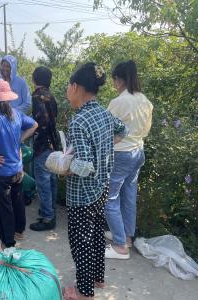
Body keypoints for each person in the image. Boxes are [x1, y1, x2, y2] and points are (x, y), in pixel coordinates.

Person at [63, 63, 127, 300]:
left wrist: (62, 167)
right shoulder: (103, 112)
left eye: (69, 86)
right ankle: (98, 279)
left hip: (82, 194)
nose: (67, 91)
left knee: (82, 243)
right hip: (102, 187)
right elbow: (124, 130)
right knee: (97, 234)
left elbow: (85, 166)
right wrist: (105, 149)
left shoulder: (79, 121)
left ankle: (84, 292)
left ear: (76, 87)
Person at [104, 60, 153, 260]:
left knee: (109, 197)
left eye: (114, 80)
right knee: (128, 195)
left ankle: (120, 244)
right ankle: (127, 236)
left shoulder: (119, 102)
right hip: (138, 151)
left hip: (121, 153)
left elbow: (104, 127)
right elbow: (146, 130)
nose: (114, 84)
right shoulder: (145, 101)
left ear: (120, 80)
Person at [0, 79, 37, 250]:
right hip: (17, 169)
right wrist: (20, 139)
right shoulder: (16, 114)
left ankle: (8, 243)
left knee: (2, 208)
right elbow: (34, 124)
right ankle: (19, 231)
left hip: (0, 173)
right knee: (17, 200)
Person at [29, 66, 60, 231]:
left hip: (42, 144)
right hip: (53, 143)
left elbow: (41, 121)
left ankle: (47, 218)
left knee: (43, 181)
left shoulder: (37, 96)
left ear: (34, 79)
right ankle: (51, 212)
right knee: (52, 179)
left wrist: (30, 130)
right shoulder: (51, 96)